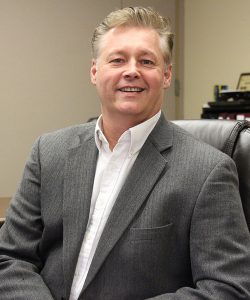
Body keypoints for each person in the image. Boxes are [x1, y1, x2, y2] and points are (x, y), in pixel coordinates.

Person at [0, 6, 250, 300]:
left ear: (166, 75)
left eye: (146, 61)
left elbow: (227, 287)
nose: (131, 71)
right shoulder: (49, 152)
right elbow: (10, 259)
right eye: (117, 60)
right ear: (95, 71)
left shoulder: (208, 171)